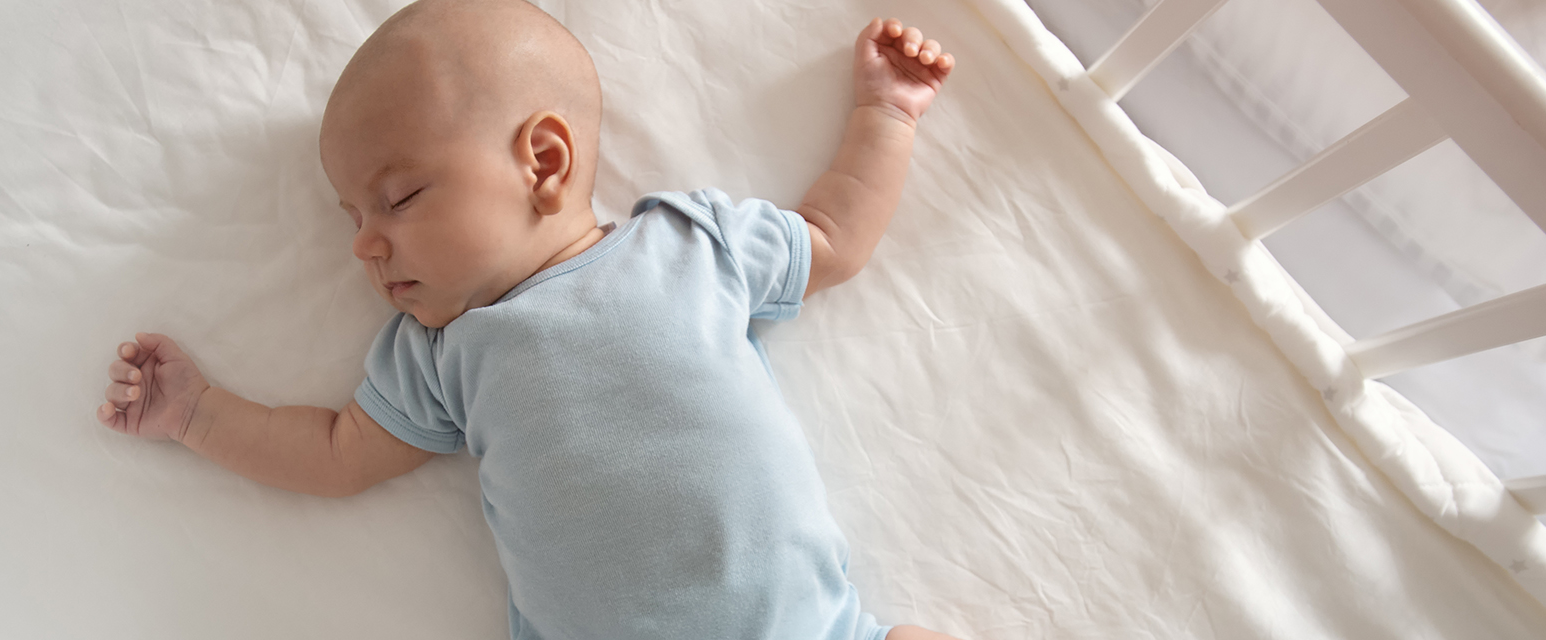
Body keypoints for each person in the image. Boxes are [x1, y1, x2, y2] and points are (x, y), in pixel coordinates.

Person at [96, 1, 959, 638]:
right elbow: (335, 453)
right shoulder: (440, 354)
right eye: (352, 219)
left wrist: (885, 113)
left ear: (542, 162)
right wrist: (198, 415)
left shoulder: (692, 246)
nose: (366, 246)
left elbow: (832, 240)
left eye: (396, 199)